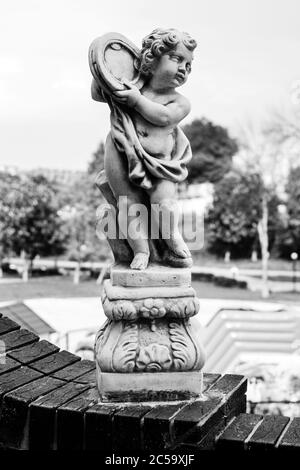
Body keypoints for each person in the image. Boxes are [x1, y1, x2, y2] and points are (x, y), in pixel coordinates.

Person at [103, 28, 197, 270]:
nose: (184, 68)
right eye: (177, 59)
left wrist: (135, 100)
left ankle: (171, 238)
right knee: (127, 203)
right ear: (151, 60)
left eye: (188, 64)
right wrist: (105, 72)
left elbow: (163, 117)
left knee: (164, 204)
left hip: (161, 162)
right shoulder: (131, 85)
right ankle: (141, 250)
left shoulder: (179, 102)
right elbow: (97, 93)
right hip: (120, 150)